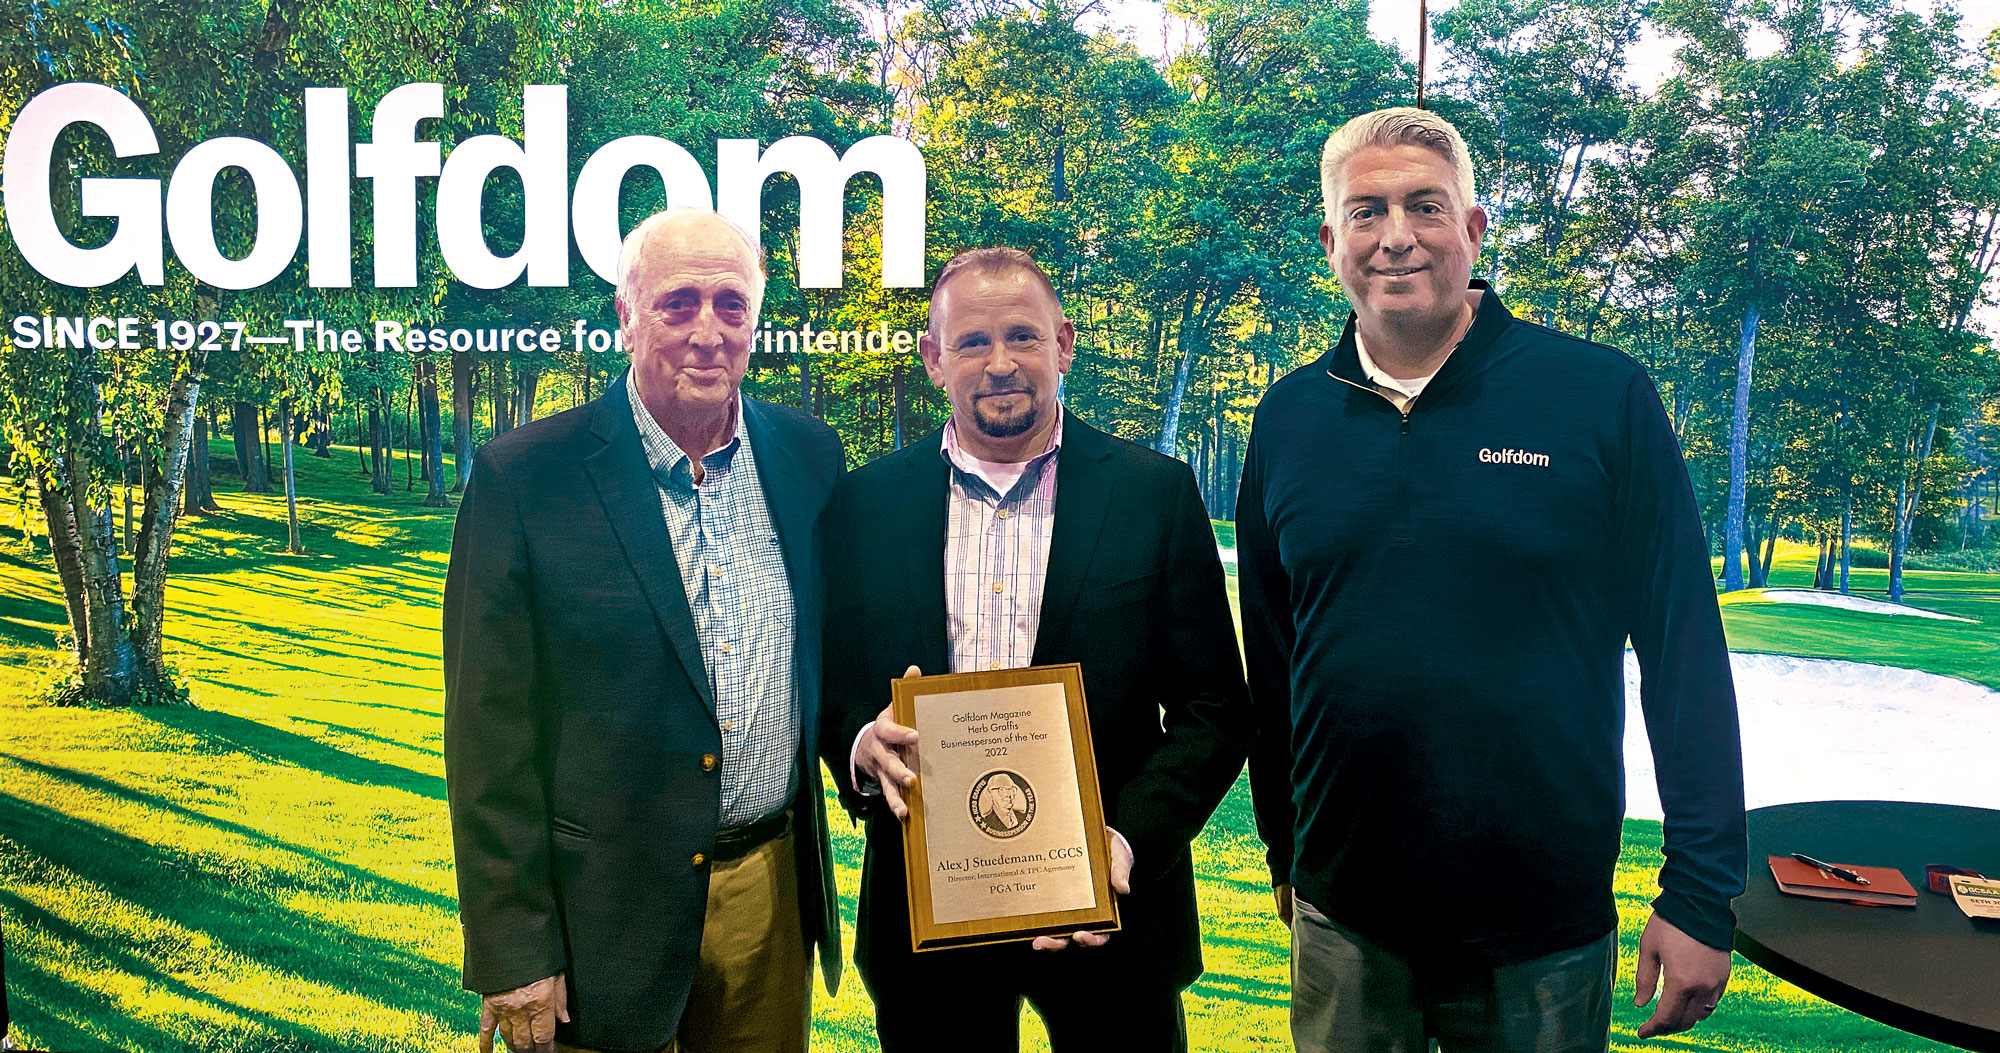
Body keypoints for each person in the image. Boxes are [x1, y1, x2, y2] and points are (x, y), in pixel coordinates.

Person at [1236, 107, 1747, 1053]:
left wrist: (1703, 892)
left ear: (1473, 230)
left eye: (1425, 207)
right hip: (1346, 917)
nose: (1397, 236)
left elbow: (1683, 651)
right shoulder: (1290, 416)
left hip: (1541, 927)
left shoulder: (1598, 397)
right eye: (1367, 211)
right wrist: (1285, 851)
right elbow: (1272, 662)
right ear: (1330, 240)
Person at [821, 248, 1251, 1053]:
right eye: (973, 341)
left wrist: (1123, 842)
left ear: (1065, 343)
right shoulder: (864, 502)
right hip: (925, 916)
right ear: (932, 358)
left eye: (1023, 335)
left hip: (1114, 915)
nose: (1001, 363)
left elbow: (1216, 710)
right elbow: (831, 684)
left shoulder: (1153, 494)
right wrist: (855, 739)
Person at [443, 208, 844, 1053]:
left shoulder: (809, 456)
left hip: (770, 898)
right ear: (625, 317)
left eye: (732, 305)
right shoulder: (525, 477)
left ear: (756, 323)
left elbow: (823, 662)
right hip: (602, 922)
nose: (708, 330)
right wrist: (517, 948)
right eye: (679, 302)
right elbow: (487, 737)